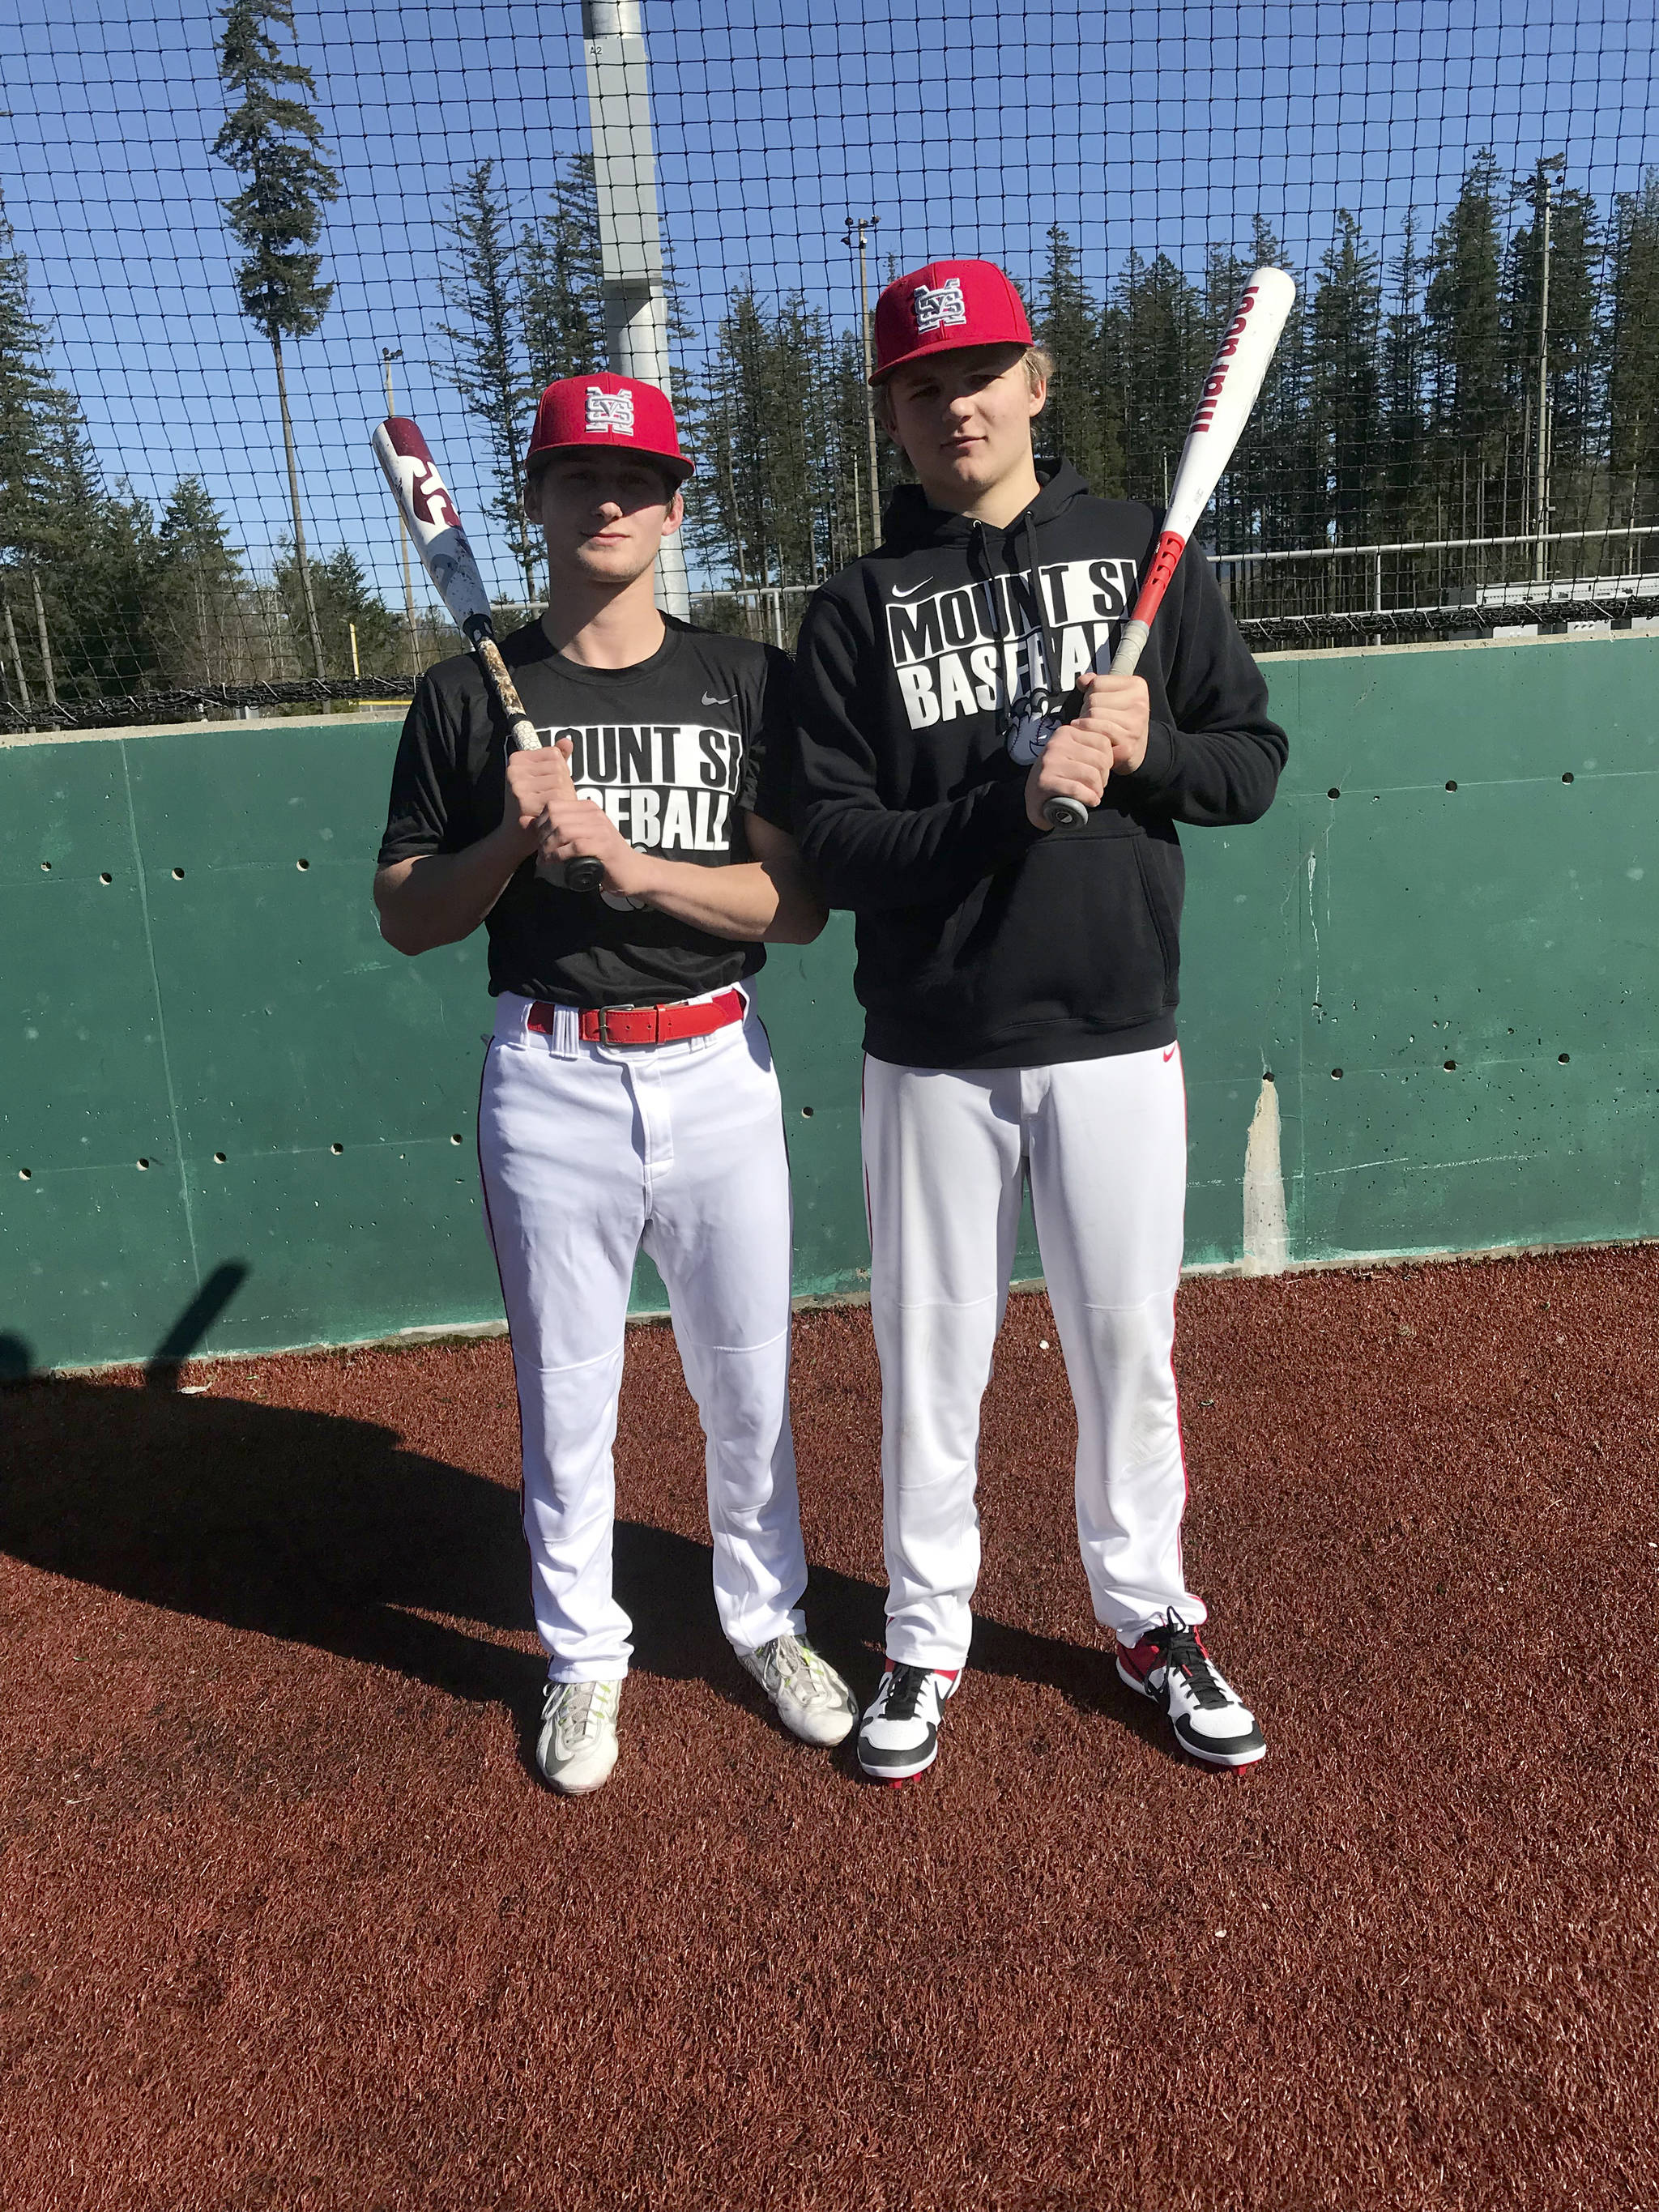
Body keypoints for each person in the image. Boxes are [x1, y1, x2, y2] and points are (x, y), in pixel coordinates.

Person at [791, 260, 1287, 1781]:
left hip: (1115, 1030)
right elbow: (833, 844)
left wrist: (1145, 758)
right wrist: (1008, 807)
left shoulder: (1144, 547)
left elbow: (1250, 763)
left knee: (1128, 1355)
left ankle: (1147, 1615)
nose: (958, 406)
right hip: (932, 1047)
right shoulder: (857, 608)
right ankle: (925, 1635)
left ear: (1038, 381)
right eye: (924, 386)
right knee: (931, 1363)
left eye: (981, 375)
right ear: (893, 412)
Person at [374, 370, 856, 1795]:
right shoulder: (465, 697)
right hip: (552, 1079)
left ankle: (766, 1619)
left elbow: (801, 907)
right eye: (579, 476)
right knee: (567, 1391)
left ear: (674, 504)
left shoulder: (742, 679)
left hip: (716, 1064)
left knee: (747, 1379)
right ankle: (585, 1659)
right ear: (530, 502)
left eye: (636, 477)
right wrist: (511, 842)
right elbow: (407, 911)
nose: (610, 499)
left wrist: (636, 866)